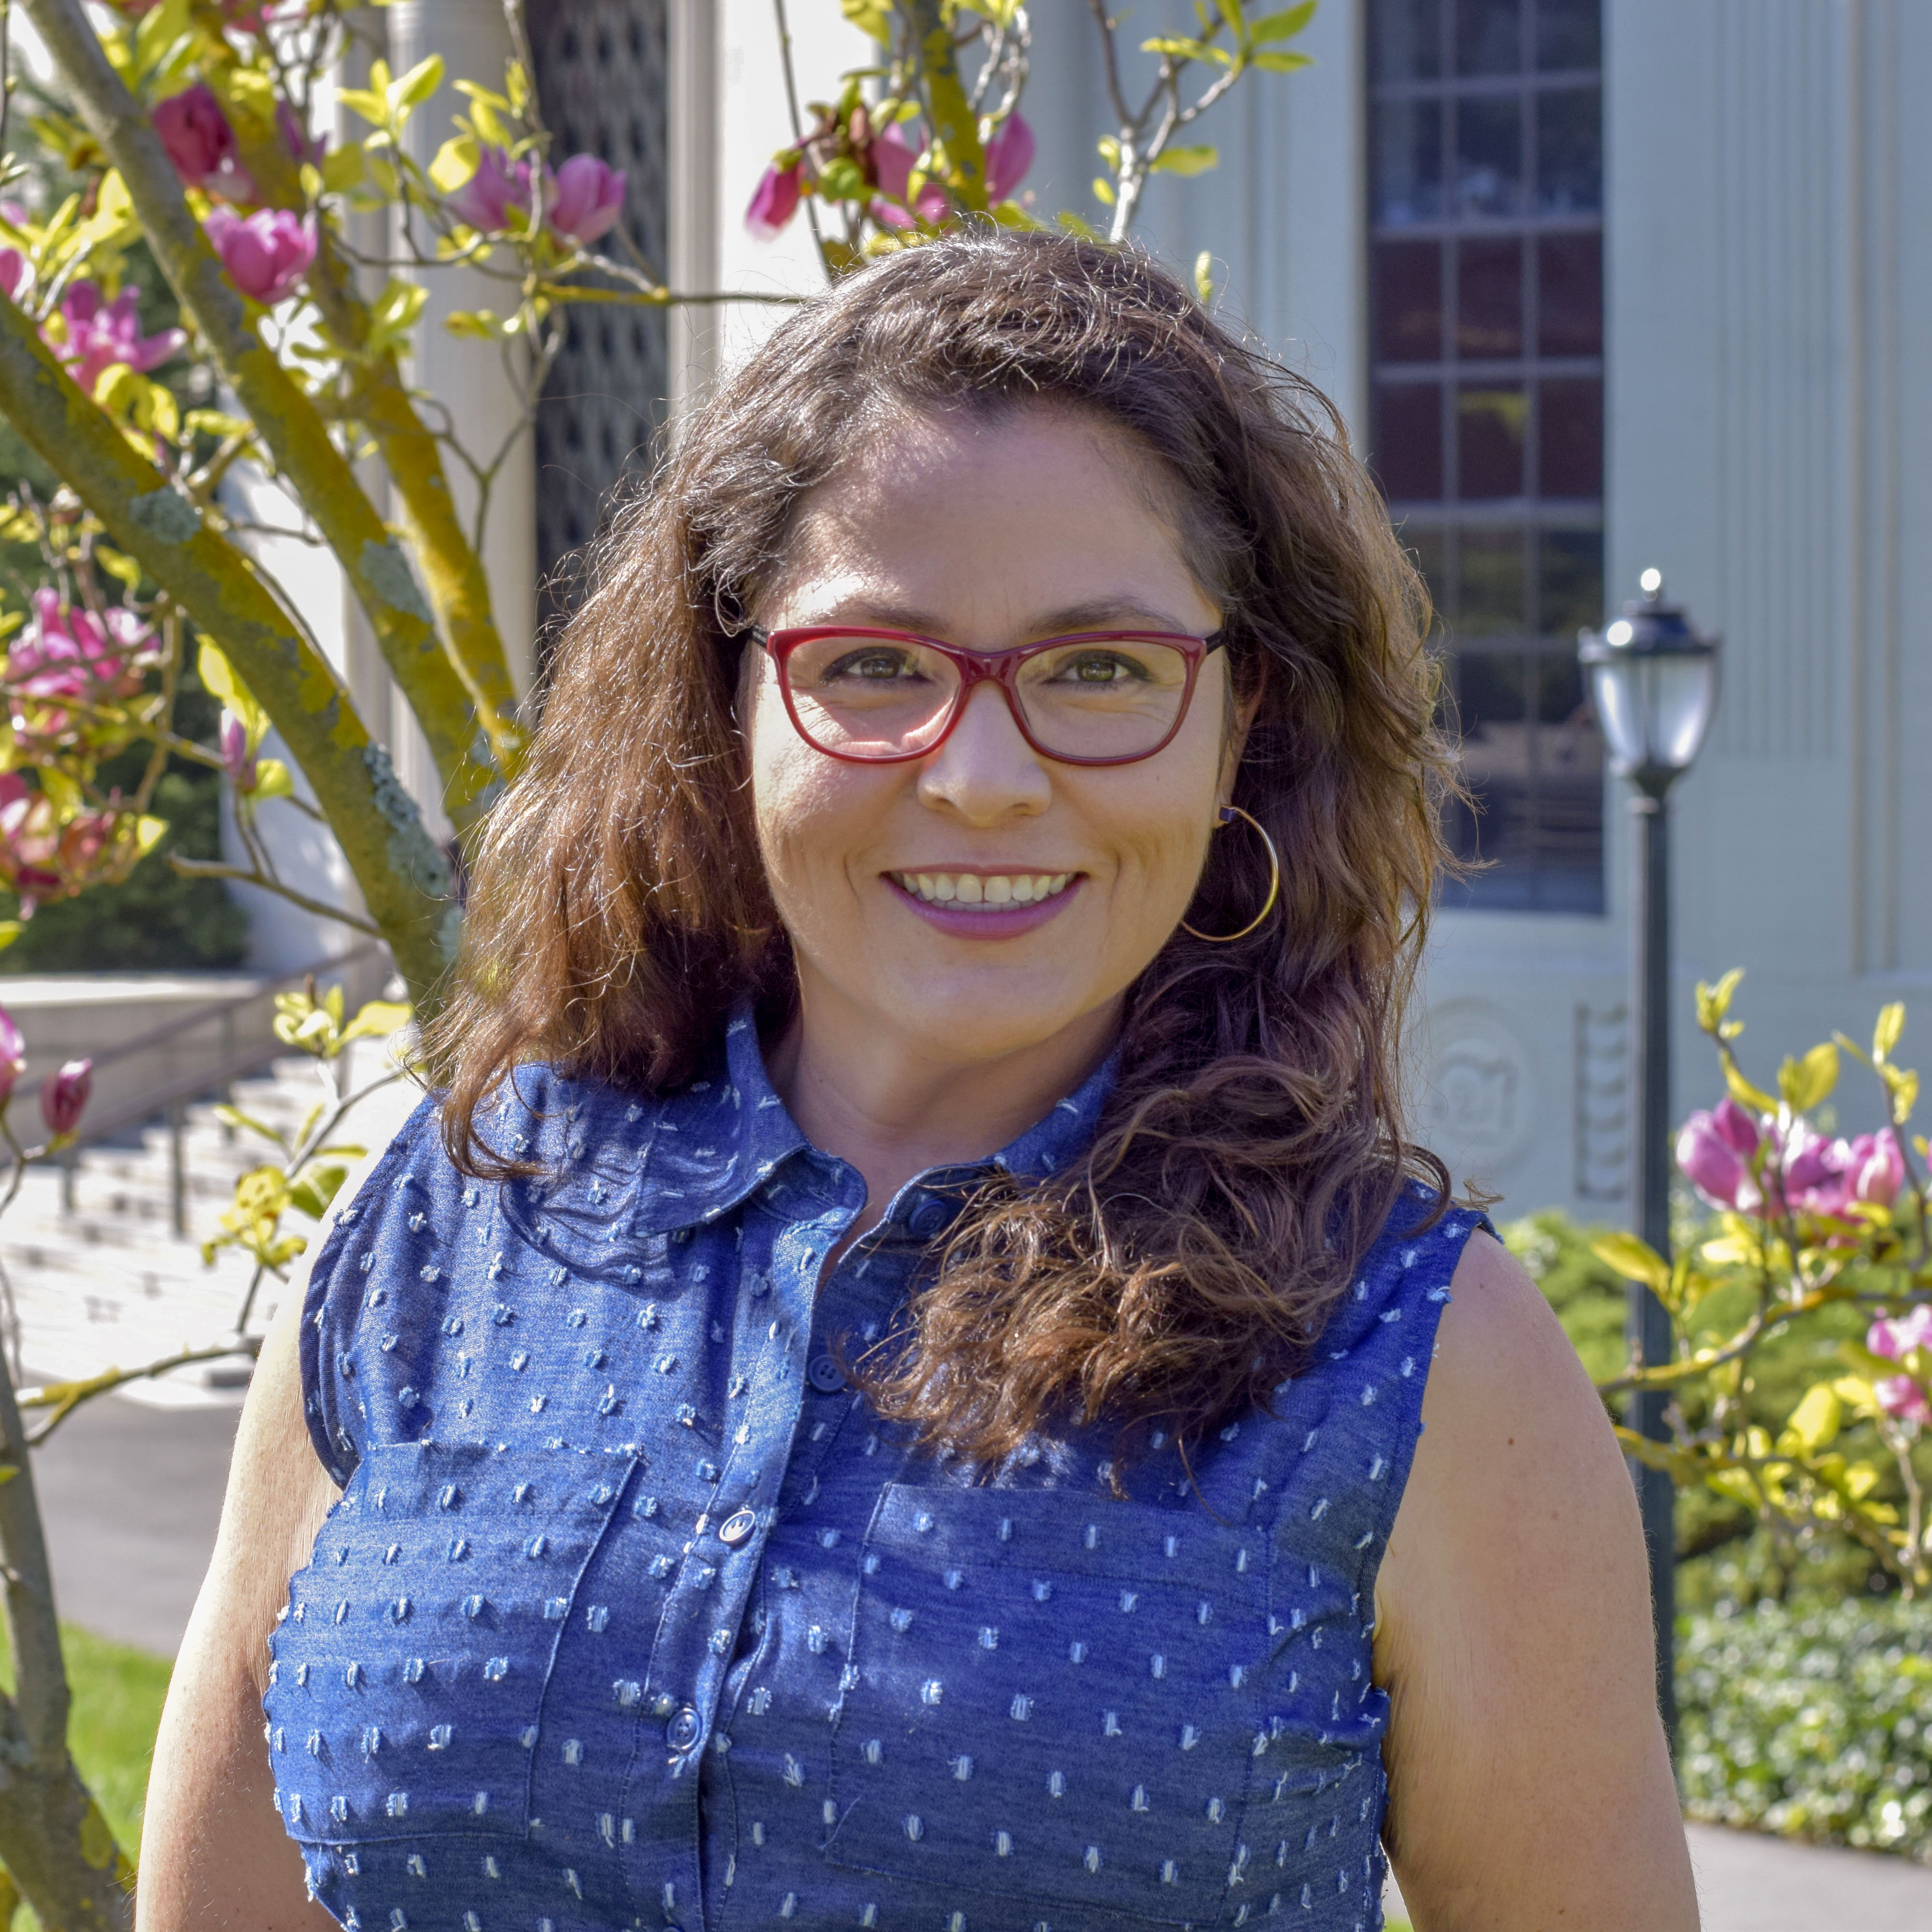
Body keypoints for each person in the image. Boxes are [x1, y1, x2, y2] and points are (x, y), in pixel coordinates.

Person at [142, 229, 1698, 1932]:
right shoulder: (437, 1236)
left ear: (1241, 712)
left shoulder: (1417, 1355)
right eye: (876, 665)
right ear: (732, 693)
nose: (978, 776)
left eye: (1099, 669)